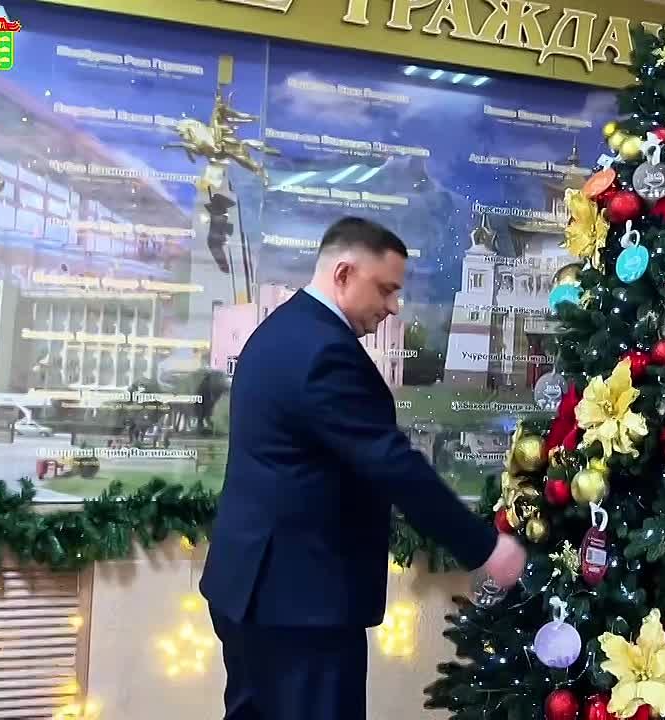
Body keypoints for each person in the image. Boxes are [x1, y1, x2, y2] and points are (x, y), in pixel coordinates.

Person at [200, 216, 526, 720]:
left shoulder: (282, 329)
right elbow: (390, 462)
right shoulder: (325, 351)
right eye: (386, 289)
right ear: (344, 273)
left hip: (251, 588)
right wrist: (485, 547)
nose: (393, 306)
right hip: (300, 603)